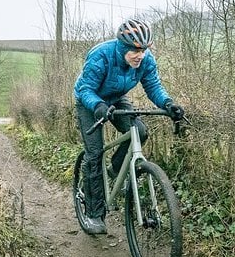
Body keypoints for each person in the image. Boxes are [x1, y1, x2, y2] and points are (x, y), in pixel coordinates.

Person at [73, 18, 186, 235]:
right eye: (135, 50)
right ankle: (95, 214)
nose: (140, 55)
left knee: (140, 132)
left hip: (116, 98)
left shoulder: (146, 60)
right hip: (90, 101)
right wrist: (97, 106)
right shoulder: (101, 56)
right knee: (95, 153)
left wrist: (168, 104)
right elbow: (86, 88)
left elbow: (153, 86)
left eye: (144, 49)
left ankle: (114, 169)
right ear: (123, 47)